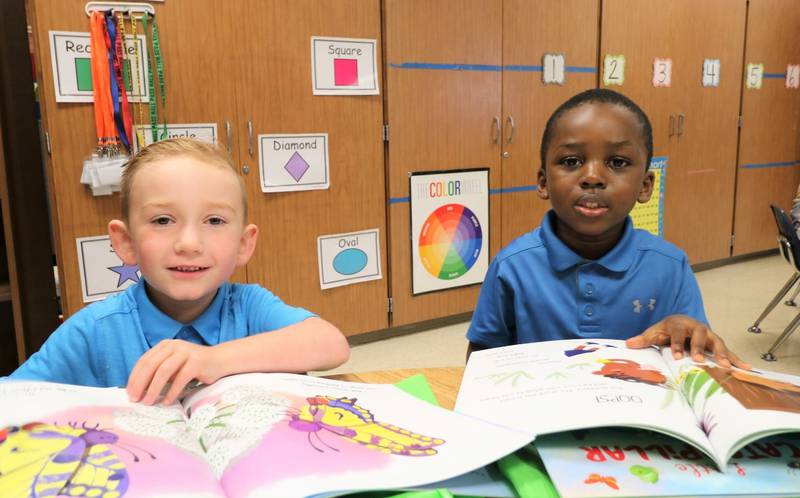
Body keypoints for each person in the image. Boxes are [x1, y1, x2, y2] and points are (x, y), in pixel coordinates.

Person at [11, 138, 350, 404]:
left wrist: (214, 360)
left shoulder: (249, 306)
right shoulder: (94, 330)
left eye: (215, 221)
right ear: (126, 241)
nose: (189, 243)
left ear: (244, 244)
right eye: (163, 220)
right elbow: (13, 399)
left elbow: (331, 344)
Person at [467, 88, 749, 369]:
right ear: (543, 182)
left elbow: (693, 355)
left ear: (645, 185)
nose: (592, 177)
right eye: (571, 161)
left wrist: (688, 334)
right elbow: (481, 359)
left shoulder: (671, 267)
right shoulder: (512, 267)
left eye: (617, 162)